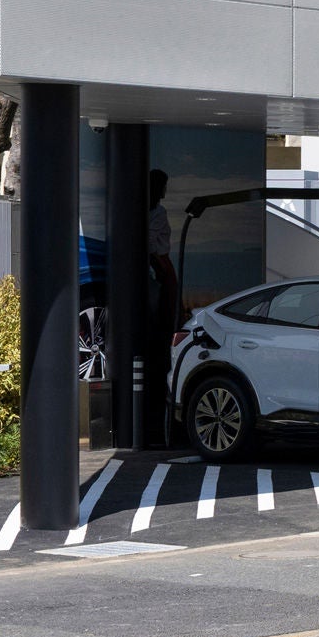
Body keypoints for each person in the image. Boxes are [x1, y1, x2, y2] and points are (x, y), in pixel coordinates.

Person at [146, 169, 180, 437]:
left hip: (157, 264)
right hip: (158, 264)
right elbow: (155, 245)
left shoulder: (153, 212)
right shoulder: (157, 213)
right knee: (164, 314)